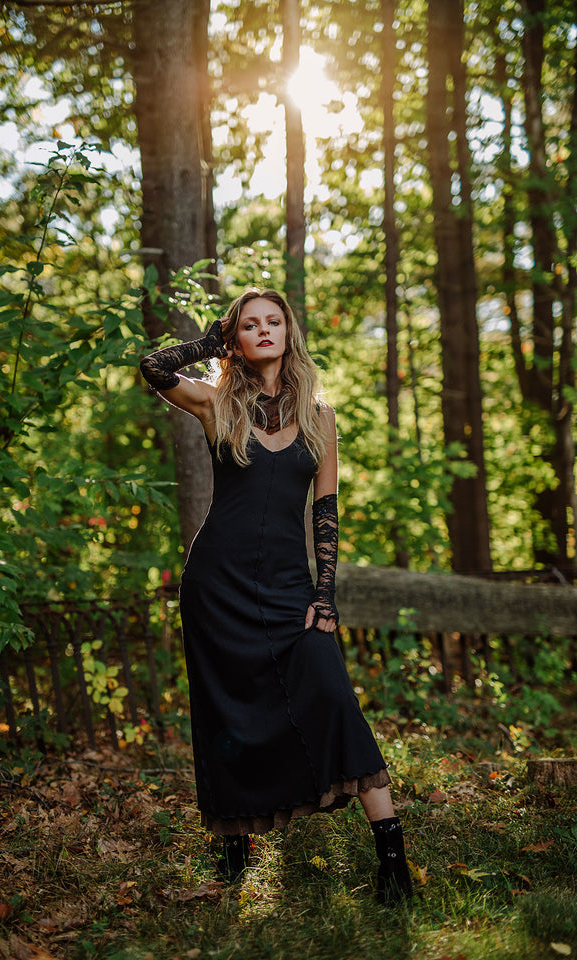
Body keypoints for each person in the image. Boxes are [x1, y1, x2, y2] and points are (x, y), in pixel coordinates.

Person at [140, 288, 412, 905]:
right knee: (227, 712)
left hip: (290, 588)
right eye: (250, 325)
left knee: (332, 693)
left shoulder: (321, 416)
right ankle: (236, 845)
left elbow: (326, 511)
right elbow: (153, 368)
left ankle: (391, 854)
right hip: (218, 585)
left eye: (274, 322)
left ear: (290, 333)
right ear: (237, 337)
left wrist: (325, 594)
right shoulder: (216, 405)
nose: (264, 331)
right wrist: (213, 341)